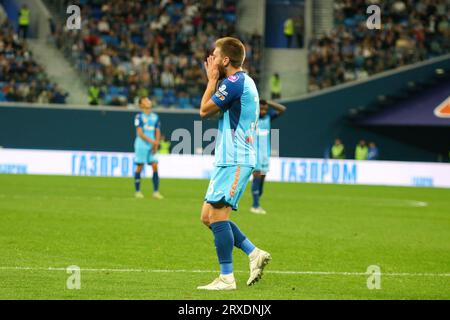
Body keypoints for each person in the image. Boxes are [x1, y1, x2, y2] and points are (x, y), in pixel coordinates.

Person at [198, 37, 271, 290]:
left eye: (215, 56)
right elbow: (215, 112)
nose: (213, 59)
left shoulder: (234, 81)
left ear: (226, 60)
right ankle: (253, 253)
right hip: (227, 158)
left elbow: (204, 111)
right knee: (207, 216)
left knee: (218, 216)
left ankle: (227, 278)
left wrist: (210, 80)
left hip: (236, 159)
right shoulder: (241, 82)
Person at [251, 99, 286, 214]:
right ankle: (255, 206)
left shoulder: (268, 118)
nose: (264, 111)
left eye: (265, 109)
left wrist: (269, 102)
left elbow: (283, 109)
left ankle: (257, 199)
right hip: (254, 153)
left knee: (261, 181)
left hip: (265, 153)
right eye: (261, 108)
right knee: (256, 176)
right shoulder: (252, 118)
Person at [133, 97, 164, 199]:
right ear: (141, 105)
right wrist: (153, 142)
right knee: (140, 167)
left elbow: (158, 131)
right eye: (145, 101)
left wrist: (156, 143)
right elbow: (140, 133)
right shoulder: (139, 117)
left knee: (155, 165)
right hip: (141, 144)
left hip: (152, 144)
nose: (148, 101)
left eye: (148, 100)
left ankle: (156, 192)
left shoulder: (155, 117)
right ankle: (137, 191)